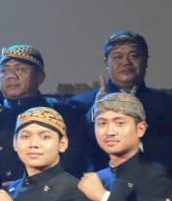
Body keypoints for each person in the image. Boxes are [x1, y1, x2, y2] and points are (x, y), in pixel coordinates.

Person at [0, 45, 75, 180]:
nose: (11, 76)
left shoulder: (58, 111)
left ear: (40, 77)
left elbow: (72, 162)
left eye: (20, 69)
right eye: (4, 70)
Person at [62, 31, 172, 168]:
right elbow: (73, 157)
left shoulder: (166, 104)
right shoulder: (79, 105)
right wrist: (94, 114)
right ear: (106, 62)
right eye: (117, 57)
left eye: (134, 56)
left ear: (146, 60)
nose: (126, 62)